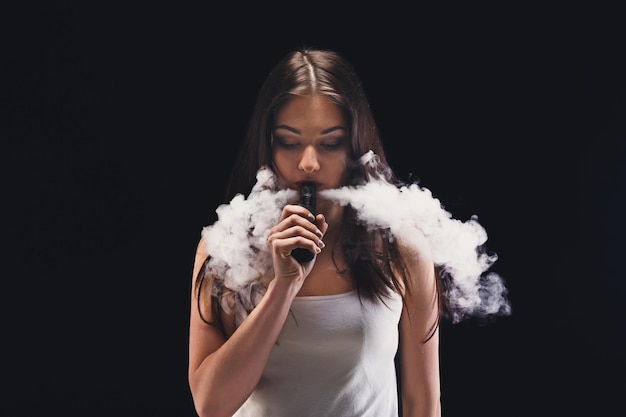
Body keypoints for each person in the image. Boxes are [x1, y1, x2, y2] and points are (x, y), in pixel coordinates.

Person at [187, 46, 443, 417]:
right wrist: (283, 288)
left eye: (330, 143)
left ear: (355, 147)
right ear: (268, 145)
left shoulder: (400, 248)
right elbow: (210, 405)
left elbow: (424, 404)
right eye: (289, 143)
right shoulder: (226, 247)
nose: (308, 163)